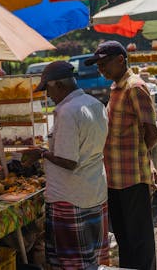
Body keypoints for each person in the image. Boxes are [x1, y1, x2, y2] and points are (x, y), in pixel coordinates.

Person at [24, 60, 110, 269]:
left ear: (58, 85)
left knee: (72, 264)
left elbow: (69, 161)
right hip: (93, 192)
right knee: (91, 260)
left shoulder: (67, 112)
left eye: (48, 89)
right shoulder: (94, 103)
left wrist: (42, 153)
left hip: (70, 197)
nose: (48, 95)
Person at [85, 40, 157, 270]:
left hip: (132, 178)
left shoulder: (134, 87)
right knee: (124, 239)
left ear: (120, 60)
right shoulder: (116, 87)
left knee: (139, 241)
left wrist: (137, 155)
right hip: (114, 178)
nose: (101, 69)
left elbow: (152, 132)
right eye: (98, 65)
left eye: (104, 63)